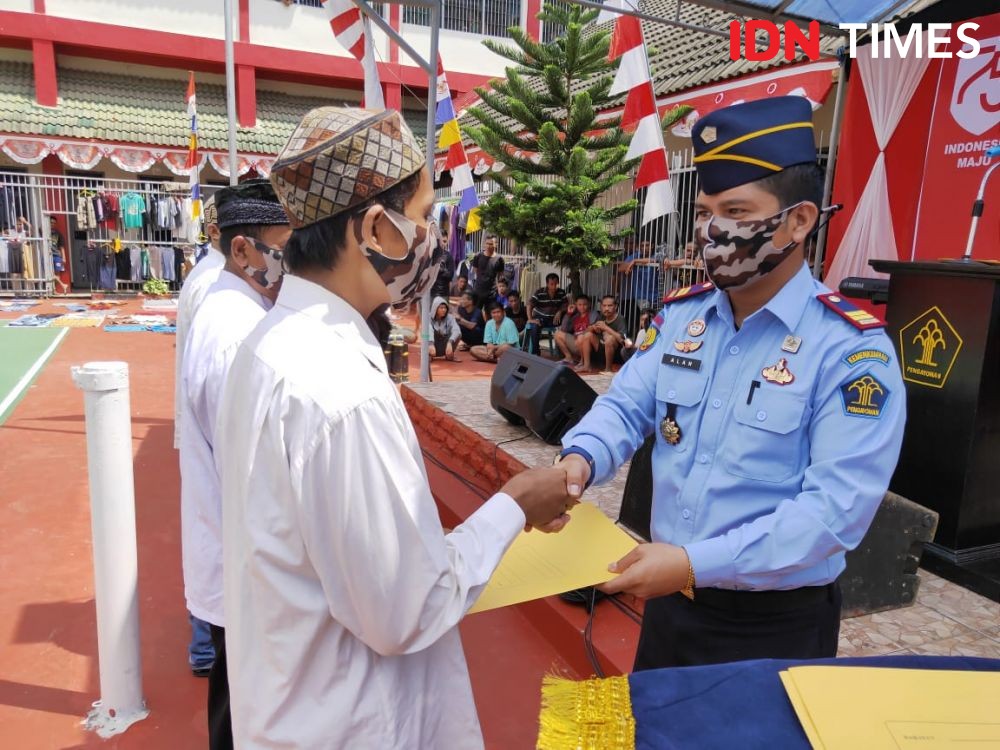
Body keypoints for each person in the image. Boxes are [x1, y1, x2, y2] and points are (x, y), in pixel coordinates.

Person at [216, 107, 576, 749]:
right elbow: (406, 608)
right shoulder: (342, 390)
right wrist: (512, 508)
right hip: (354, 724)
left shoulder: (266, 345)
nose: (432, 237)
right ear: (376, 230)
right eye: (425, 216)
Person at [554, 97, 906, 670]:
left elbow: (832, 514)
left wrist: (694, 563)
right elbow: (626, 405)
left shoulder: (852, 351)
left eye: (737, 211)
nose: (713, 231)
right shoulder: (683, 318)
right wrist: (578, 462)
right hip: (671, 603)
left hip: (774, 626)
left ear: (800, 219)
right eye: (705, 211)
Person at [179, 180, 290, 750]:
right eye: (283, 247)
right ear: (244, 250)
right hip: (245, 570)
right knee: (245, 718)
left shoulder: (233, 309)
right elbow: (251, 474)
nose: (290, 264)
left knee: (236, 708)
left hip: (236, 565)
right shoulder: (235, 331)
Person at [173, 192, 222, 677]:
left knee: (207, 529)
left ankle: (205, 643)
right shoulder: (212, 285)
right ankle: (205, 646)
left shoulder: (205, 277)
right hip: (211, 423)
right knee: (212, 533)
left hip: (199, 421)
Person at [582, 295, 628, 373]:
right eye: (604, 306)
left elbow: (622, 340)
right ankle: (586, 366)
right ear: (601, 307)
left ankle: (608, 369)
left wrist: (606, 328)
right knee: (587, 335)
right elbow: (585, 332)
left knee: (610, 339)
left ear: (615, 306)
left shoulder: (620, 319)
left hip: (615, 355)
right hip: (601, 351)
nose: (606, 308)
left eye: (610, 306)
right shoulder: (601, 317)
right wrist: (593, 327)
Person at [526, 273, 568, 355]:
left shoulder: (561, 292)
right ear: (547, 284)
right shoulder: (540, 292)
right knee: (534, 326)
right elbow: (529, 305)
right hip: (541, 317)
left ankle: (562, 352)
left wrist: (560, 311)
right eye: (551, 284)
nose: (554, 286)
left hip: (554, 319)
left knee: (567, 323)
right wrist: (530, 319)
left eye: (556, 284)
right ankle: (535, 352)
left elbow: (566, 306)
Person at [554, 293, 599, 369]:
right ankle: (569, 358)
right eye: (579, 305)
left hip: (587, 344)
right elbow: (564, 329)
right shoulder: (575, 315)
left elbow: (591, 329)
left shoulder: (593, 314)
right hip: (576, 342)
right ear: (576, 305)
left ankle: (583, 361)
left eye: (585, 304)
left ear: (589, 304)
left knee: (582, 337)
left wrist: (581, 335)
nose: (582, 307)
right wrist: (569, 313)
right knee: (557, 334)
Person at [470, 234, 503, 306]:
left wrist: (498, 288)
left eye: (491, 244)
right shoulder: (478, 256)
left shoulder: (499, 259)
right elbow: (476, 271)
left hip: (492, 292)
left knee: (491, 313)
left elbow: (500, 275)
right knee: (476, 313)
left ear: (495, 245)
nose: (488, 246)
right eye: (487, 243)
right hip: (479, 290)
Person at [431, 295, 461, 361]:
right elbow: (427, 331)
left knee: (458, 334)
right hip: (432, 346)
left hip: (446, 346)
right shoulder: (428, 317)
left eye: (445, 308)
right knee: (424, 334)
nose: (444, 310)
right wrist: (430, 343)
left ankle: (449, 354)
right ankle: (427, 354)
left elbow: (457, 330)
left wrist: (450, 342)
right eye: (441, 308)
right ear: (435, 308)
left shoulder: (450, 317)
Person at [47, 216, 69, 294]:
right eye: (51, 222)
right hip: (48, 255)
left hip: (57, 255)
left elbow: (61, 246)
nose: (52, 224)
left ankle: (54, 290)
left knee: (57, 273)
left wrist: (64, 257)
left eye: (54, 223)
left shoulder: (58, 233)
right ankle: (63, 285)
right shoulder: (43, 231)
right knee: (49, 273)